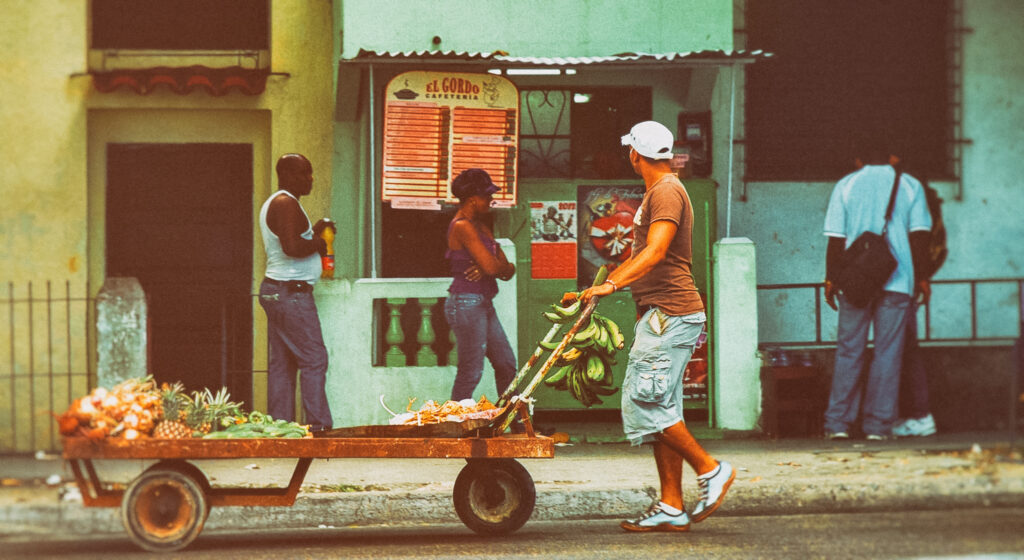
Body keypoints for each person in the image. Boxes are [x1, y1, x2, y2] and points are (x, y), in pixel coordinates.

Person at [575, 121, 733, 533]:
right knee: (663, 407)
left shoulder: (665, 191)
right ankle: (671, 504)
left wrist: (612, 284)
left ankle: (711, 470)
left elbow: (659, 250)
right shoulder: (662, 190)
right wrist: (605, 281)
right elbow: (645, 255)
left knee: (646, 402)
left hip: (670, 314)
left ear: (634, 154)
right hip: (664, 313)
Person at [822, 138, 932, 440]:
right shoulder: (909, 184)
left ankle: (838, 425)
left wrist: (831, 278)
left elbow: (835, 237)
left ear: (859, 160)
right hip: (898, 280)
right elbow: (920, 237)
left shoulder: (846, 184)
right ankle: (877, 427)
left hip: (855, 281)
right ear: (891, 158)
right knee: (888, 354)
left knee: (849, 351)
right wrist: (922, 278)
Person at [257, 153, 334, 432]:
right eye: (304, 173)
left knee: (283, 363)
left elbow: (289, 241)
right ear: (287, 174)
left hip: (277, 291)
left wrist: (312, 236)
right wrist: (318, 244)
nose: (310, 178)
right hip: (291, 293)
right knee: (314, 359)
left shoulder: (279, 203)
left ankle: (281, 428)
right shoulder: (285, 203)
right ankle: (318, 428)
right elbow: (291, 247)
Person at [444, 168, 518, 404]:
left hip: (482, 303)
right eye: (486, 196)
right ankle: (454, 427)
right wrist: (494, 264)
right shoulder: (462, 226)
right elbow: (496, 269)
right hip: (466, 303)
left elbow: (506, 270)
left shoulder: (480, 227)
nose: (490, 200)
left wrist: (493, 264)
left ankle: (513, 422)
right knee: (471, 370)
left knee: (506, 363)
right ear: (472, 200)